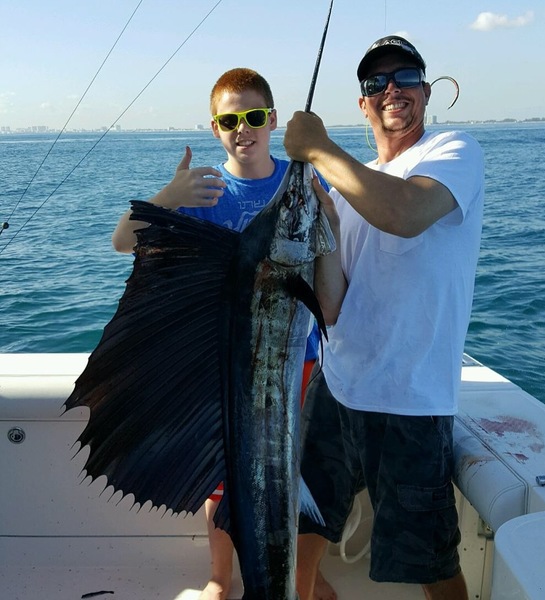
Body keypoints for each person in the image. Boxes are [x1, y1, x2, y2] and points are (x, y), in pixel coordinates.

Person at [112, 68, 343, 600]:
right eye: (231, 120)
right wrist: (169, 196)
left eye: (255, 117)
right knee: (224, 477)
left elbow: (329, 292)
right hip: (221, 367)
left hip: (297, 359)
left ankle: (305, 574)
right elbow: (123, 241)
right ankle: (220, 575)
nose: (244, 129)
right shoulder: (203, 191)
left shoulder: (308, 186)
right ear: (215, 127)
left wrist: (328, 223)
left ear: (273, 120)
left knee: (298, 473)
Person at [283, 35, 485, 600]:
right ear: (363, 103)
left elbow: (406, 212)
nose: (392, 89)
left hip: (408, 399)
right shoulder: (352, 184)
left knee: (429, 559)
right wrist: (327, 224)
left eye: (406, 77)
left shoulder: (454, 151)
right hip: (336, 384)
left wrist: (318, 148)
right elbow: (333, 306)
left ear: (427, 90)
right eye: (377, 82)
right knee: (307, 517)